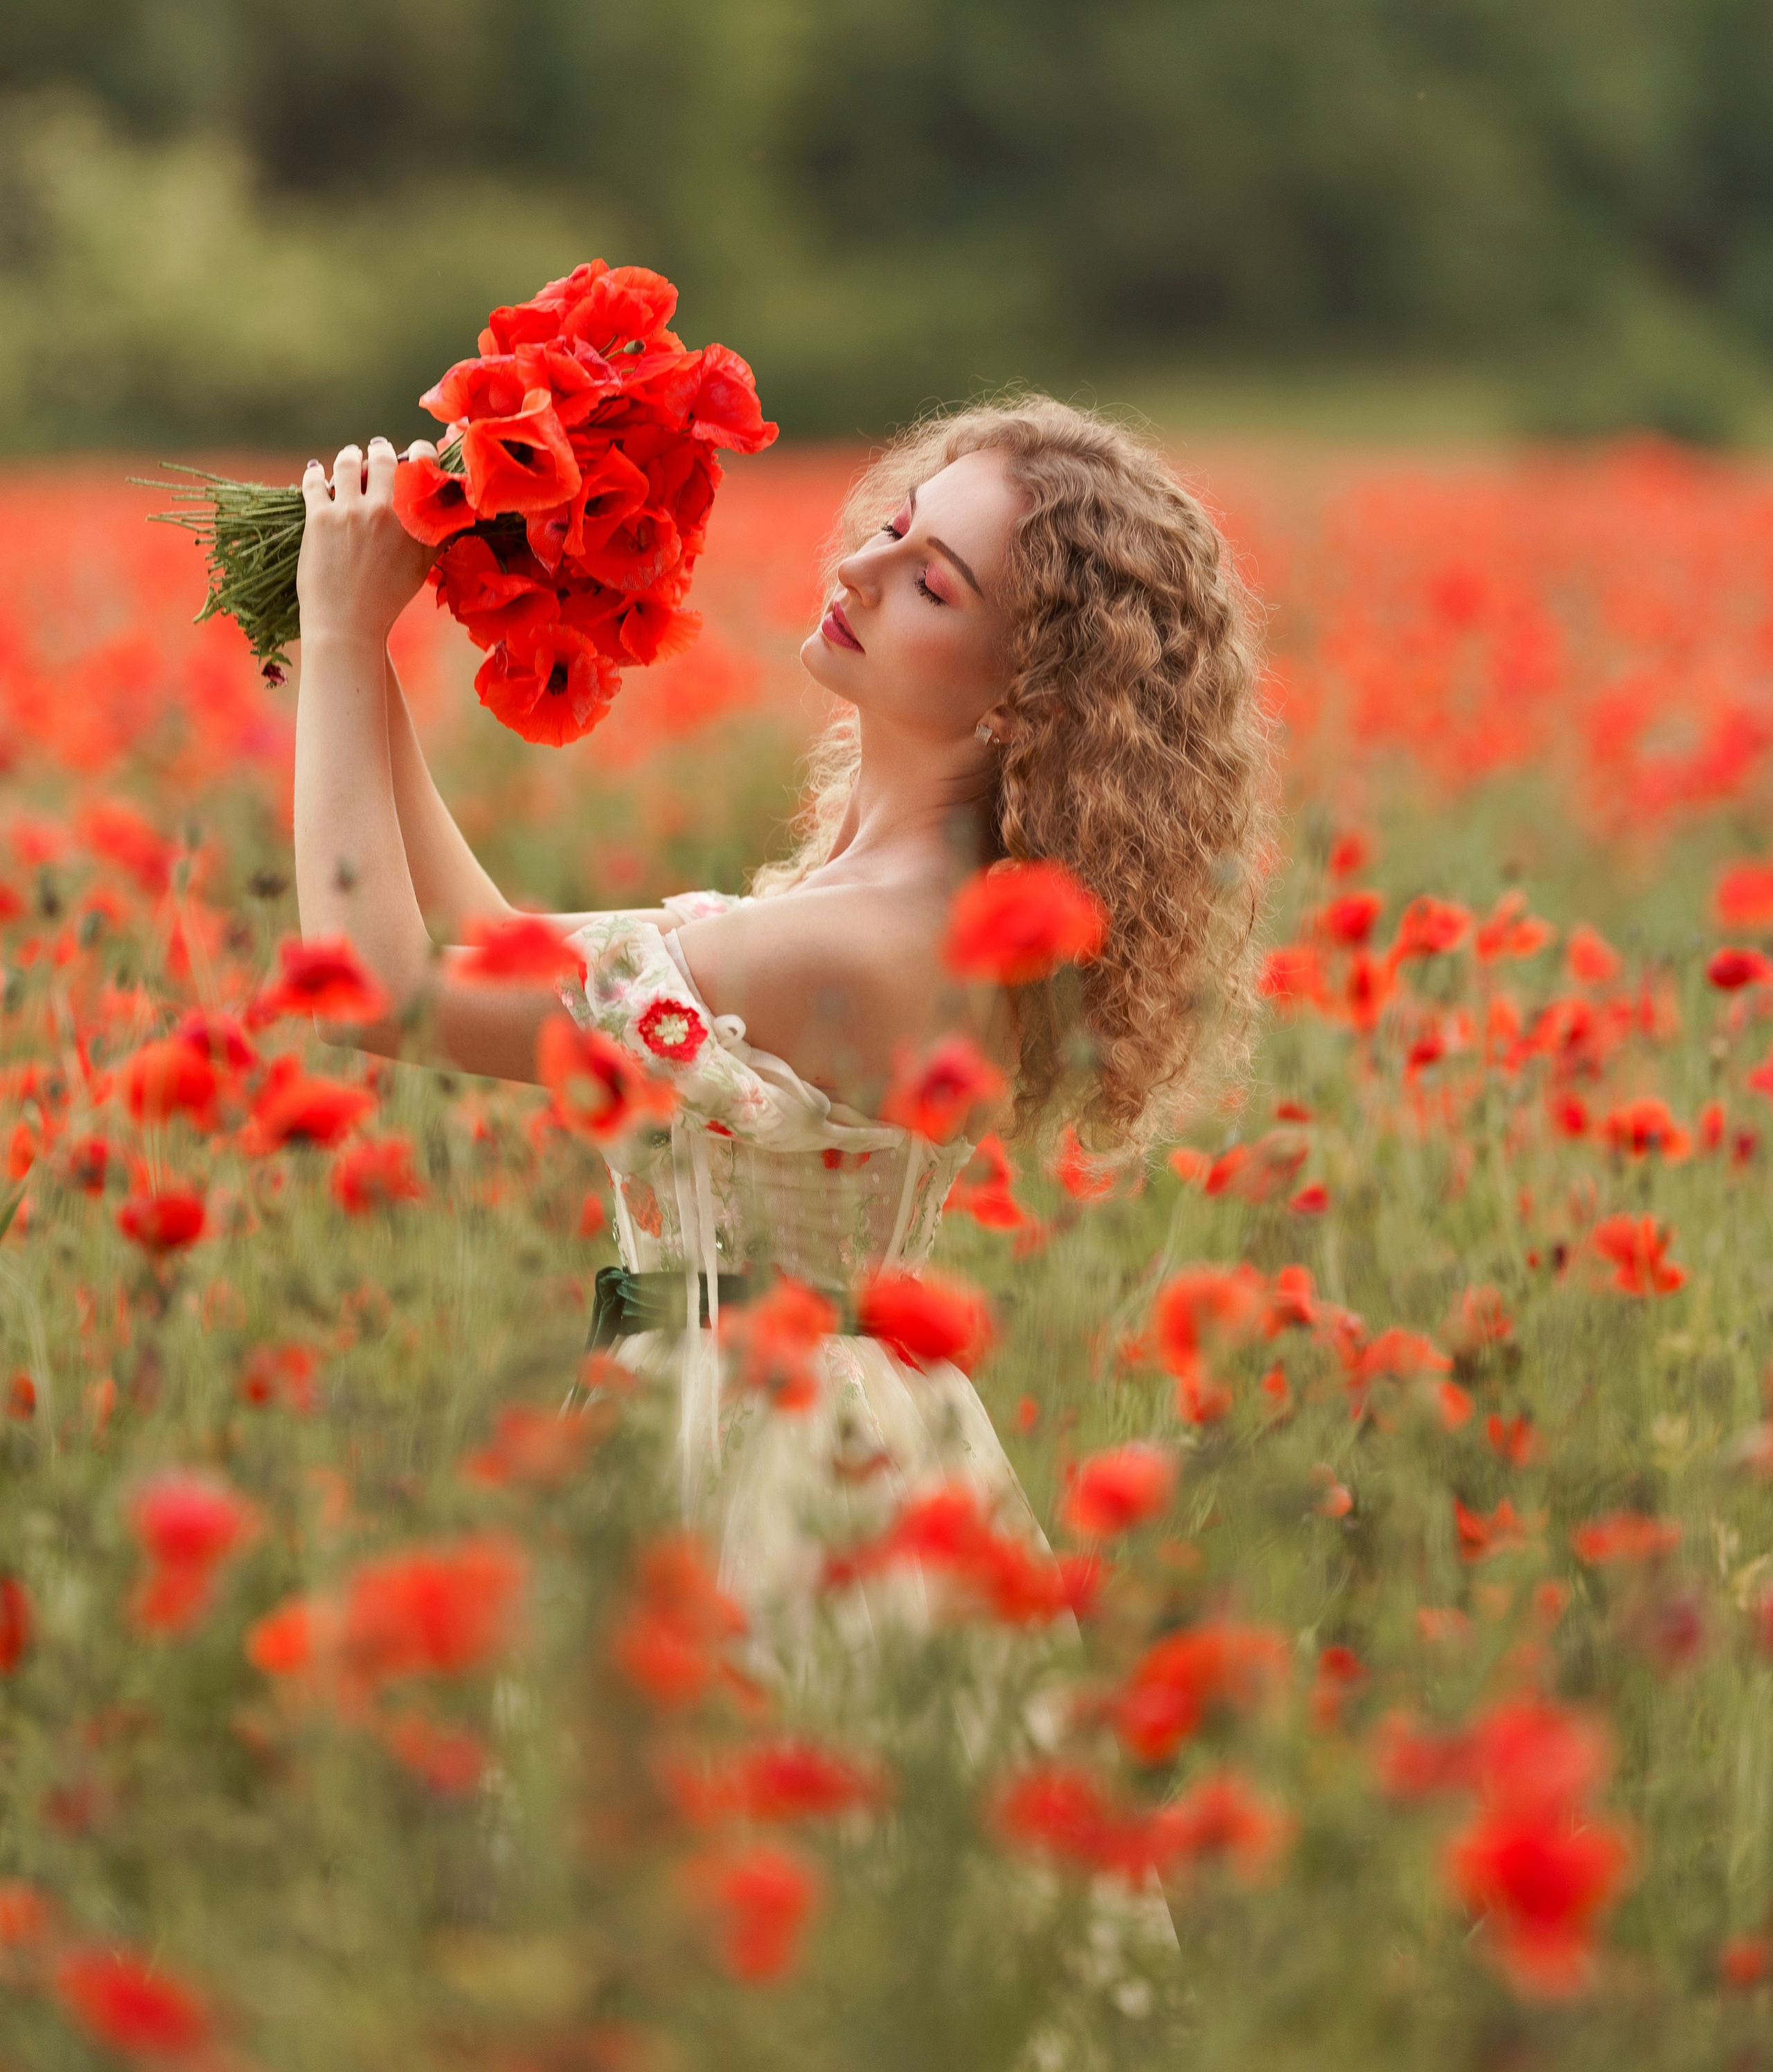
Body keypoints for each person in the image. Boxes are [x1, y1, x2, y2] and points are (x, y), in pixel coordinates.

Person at [292, 396, 1268, 1649]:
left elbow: (369, 991)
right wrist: (364, 645)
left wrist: (332, 634)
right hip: (832, 1429)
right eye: (896, 528)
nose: (857, 565)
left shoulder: (855, 949)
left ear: (1028, 704)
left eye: (933, 583)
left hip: (768, 1468)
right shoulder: (897, 906)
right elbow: (487, 931)